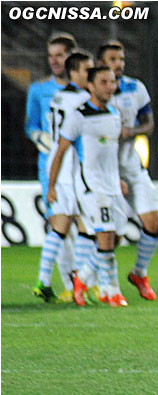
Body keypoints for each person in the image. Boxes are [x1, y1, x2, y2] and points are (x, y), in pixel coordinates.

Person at [47, 66, 128, 307]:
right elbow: (60, 152)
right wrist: (52, 186)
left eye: (112, 82)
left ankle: (81, 279)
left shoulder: (114, 113)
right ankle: (112, 291)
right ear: (90, 86)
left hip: (113, 186)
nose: (109, 87)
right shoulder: (78, 116)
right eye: (103, 82)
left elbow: (110, 153)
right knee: (104, 238)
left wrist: (120, 178)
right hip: (91, 187)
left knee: (116, 238)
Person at [32, 51, 100, 305]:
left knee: (60, 228)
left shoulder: (59, 97)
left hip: (58, 166)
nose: (91, 75)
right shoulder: (84, 99)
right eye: (87, 70)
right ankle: (80, 286)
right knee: (88, 228)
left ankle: (44, 281)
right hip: (74, 167)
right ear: (73, 73)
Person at [97, 41, 158, 301]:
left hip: (132, 165)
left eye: (121, 58)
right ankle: (98, 282)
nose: (119, 64)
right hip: (106, 170)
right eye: (113, 59)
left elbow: (149, 124)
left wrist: (131, 131)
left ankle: (139, 272)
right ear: (101, 64)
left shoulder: (136, 88)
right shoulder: (95, 92)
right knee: (113, 234)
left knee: (154, 224)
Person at [26, 33, 77, 302]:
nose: (54, 61)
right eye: (51, 55)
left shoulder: (85, 88)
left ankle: (89, 281)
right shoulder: (39, 89)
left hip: (80, 165)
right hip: (51, 167)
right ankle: (71, 284)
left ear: (71, 56)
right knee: (59, 223)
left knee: (87, 224)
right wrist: (39, 138)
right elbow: (31, 124)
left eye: (59, 55)